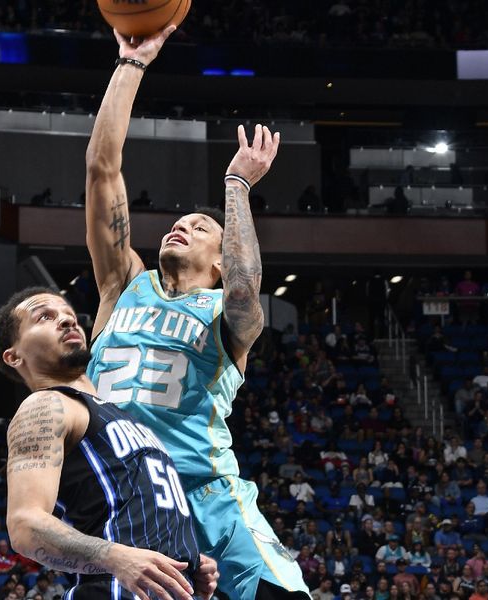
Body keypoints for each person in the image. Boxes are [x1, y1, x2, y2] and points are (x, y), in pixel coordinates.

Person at [82, 25, 308, 600]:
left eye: (200, 227)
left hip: (208, 496)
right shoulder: (123, 285)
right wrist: (131, 64)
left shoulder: (227, 312)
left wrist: (236, 185)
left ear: (217, 260)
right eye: (180, 221)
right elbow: (102, 169)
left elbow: (244, 286)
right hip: (125, 497)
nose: (182, 224)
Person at [0, 288, 218, 600]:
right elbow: (25, 525)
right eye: (45, 316)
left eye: (68, 315)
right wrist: (116, 557)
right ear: (14, 355)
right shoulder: (46, 406)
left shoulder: (120, 416)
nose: (67, 321)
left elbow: (132, 511)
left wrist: (186, 561)